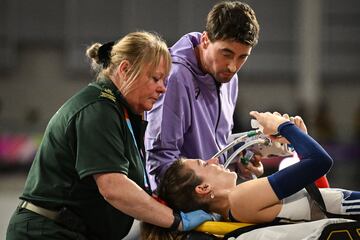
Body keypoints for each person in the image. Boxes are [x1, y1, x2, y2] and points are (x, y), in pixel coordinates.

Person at [6, 31, 216, 240]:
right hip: (47, 233)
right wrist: (176, 220)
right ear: (125, 69)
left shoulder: (122, 113)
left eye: (165, 80)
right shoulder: (99, 110)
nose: (163, 88)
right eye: (155, 78)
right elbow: (113, 188)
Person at [142, 111, 360, 239]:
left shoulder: (239, 204)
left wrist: (299, 139)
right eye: (203, 164)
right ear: (203, 188)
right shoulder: (239, 199)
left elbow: (320, 199)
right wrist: (282, 126)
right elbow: (322, 161)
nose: (214, 160)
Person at [145, 1, 262, 189]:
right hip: (187, 208)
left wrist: (236, 161)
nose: (233, 66)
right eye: (227, 53)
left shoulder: (230, 78)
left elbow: (214, 148)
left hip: (213, 201)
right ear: (205, 40)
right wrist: (184, 214)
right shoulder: (175, 77)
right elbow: (160, 163)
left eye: (242, 57)